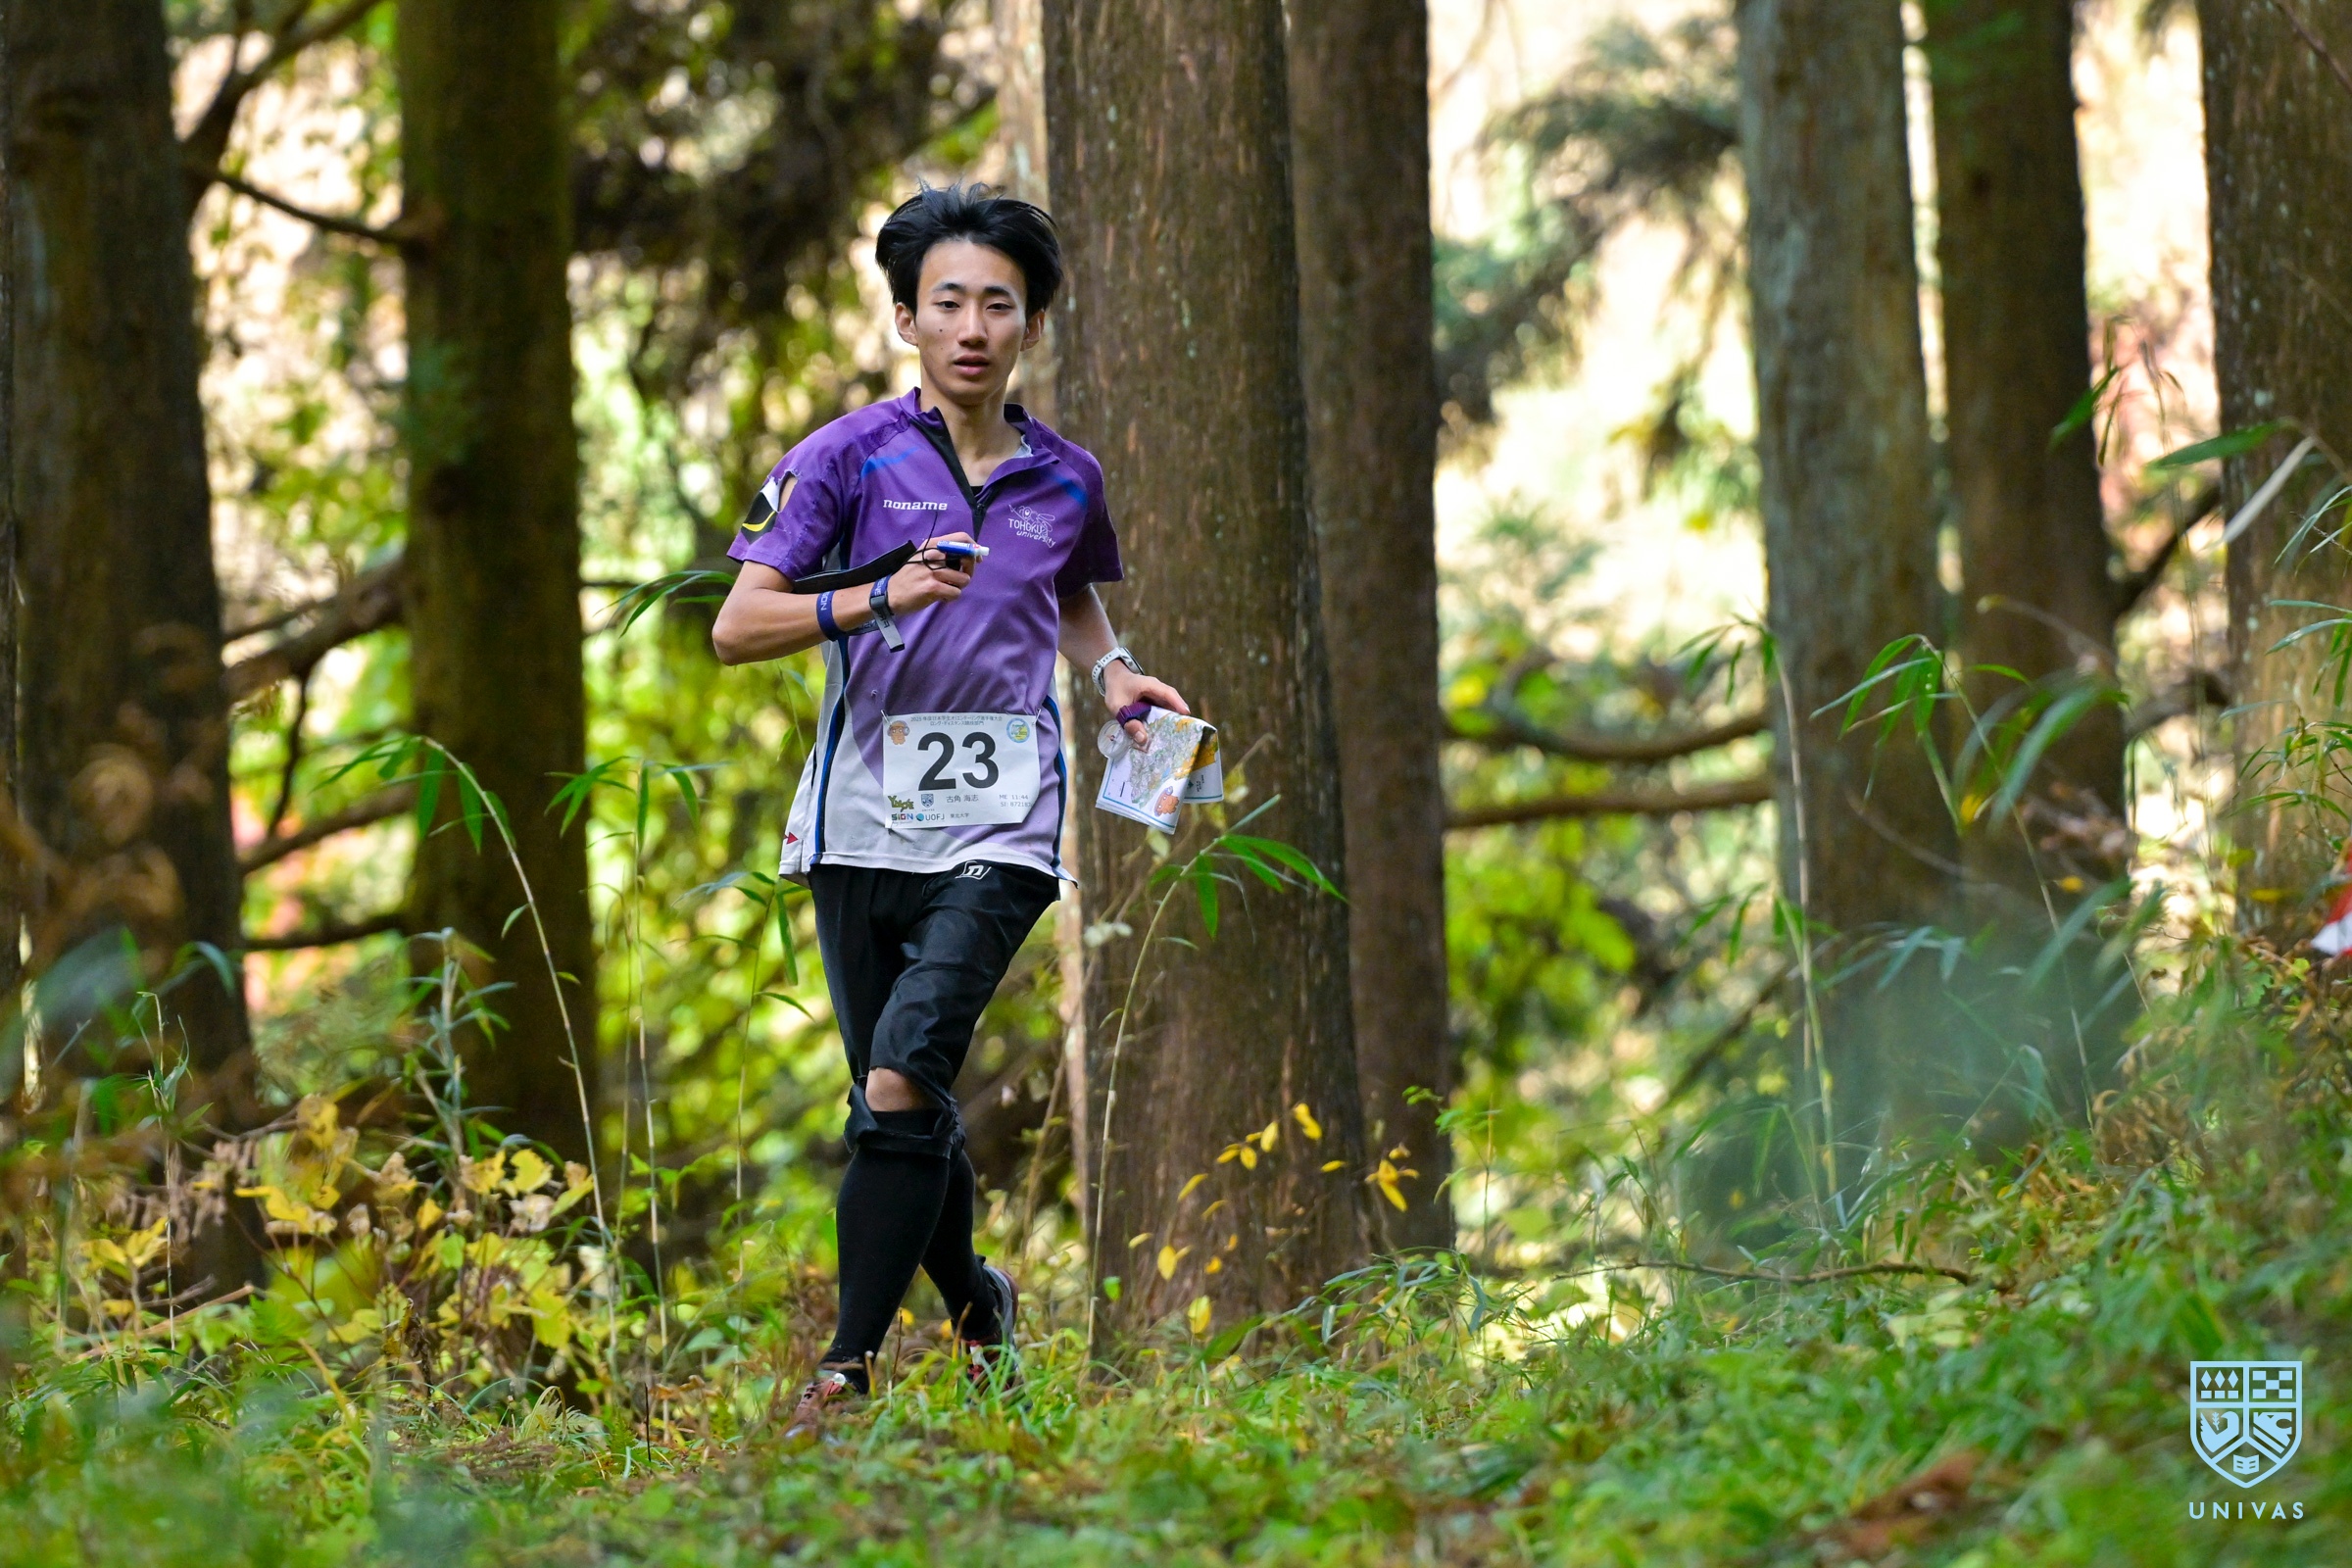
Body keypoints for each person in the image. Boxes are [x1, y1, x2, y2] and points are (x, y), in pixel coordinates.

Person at [710, 182, 1189, 1439]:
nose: (973, 328)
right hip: (857, 823)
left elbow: (1066, 595)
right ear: (909, 320)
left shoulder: (1066, 477)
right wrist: (880, 595)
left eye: (999, 305)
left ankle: (843, 1373)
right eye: (949, 304)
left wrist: (1115, 672)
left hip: (1001, 826)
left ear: (1030, 323)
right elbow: (738, 625)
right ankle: (982, 1306)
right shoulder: (845, 458)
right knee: (899, 1099)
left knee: (902, 1066)